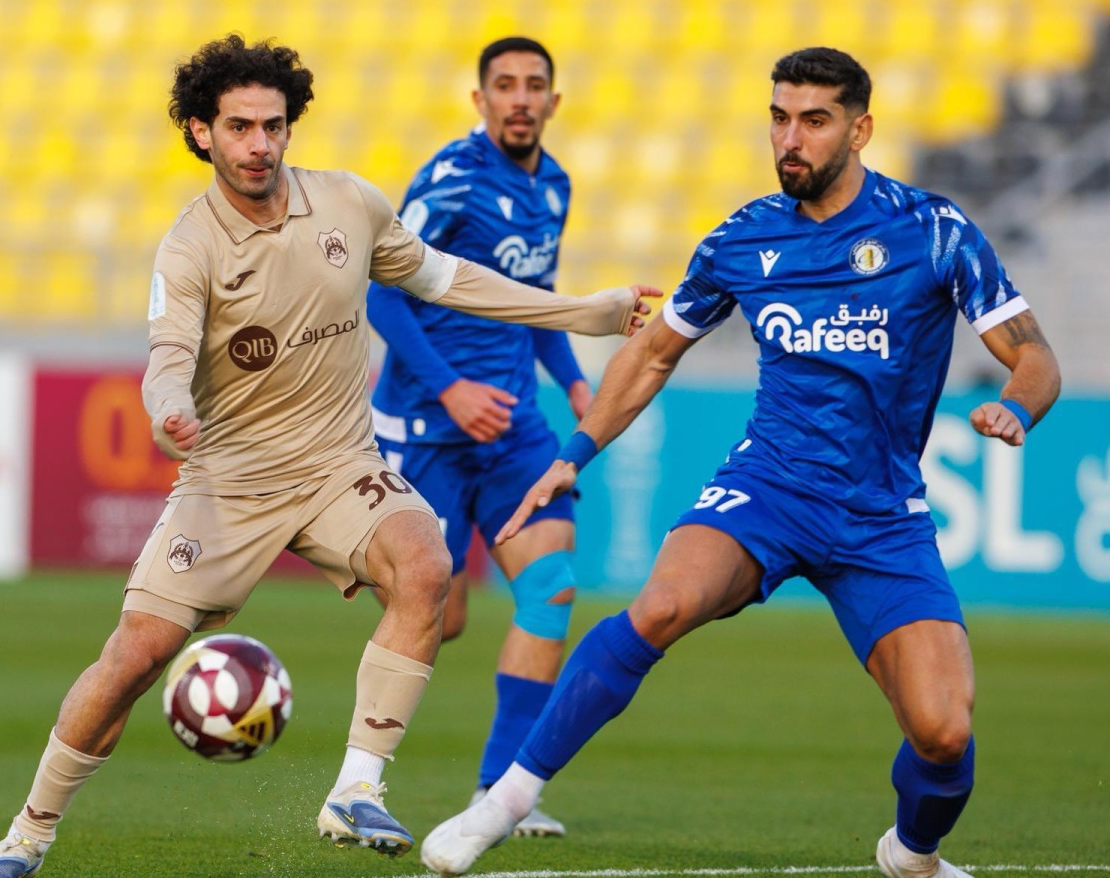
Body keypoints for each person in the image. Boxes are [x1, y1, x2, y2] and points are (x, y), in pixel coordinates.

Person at [0, 34, 659, 878]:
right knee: (134, 655)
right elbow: (169, 360)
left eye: (273, 126)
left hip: (337, 465)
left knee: (425, 563)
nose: (259, 144)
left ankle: (356, 788)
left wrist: (585, 312)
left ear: (291, 127)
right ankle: (25, 838)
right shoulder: (190, 246)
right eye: (240, 127)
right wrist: (170, 409)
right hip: (233, 481)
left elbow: (448, 280)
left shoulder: (349, 207)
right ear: (200, 133)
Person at [420, 46, 1062, 878]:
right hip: (768, 488)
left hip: (879, 516)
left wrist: (1016, 406)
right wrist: (573, 453)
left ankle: (913, 854)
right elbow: (652, 355)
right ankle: (502, 801)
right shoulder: (742, 237)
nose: (790, 138)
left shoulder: (932, 231)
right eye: (779, 117)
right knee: (660, 605)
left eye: (814, 120)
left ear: (860, 129)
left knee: (943, 732)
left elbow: (1034, 355)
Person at [367, 36, 586, 839]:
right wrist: (451, 390)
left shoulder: (554, 185)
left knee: (551, 584)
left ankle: (501, 792)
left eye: (535, 86)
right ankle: (362, 781)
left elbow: (535, 299)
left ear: (553, 102)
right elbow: (382, 295)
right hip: (429, 426)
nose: (520, 98)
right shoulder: (450, 178)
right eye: (505, 86)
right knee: (440, 613)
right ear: (481, 100)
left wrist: (575, 383)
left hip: (515, 430)